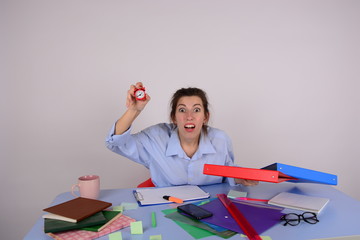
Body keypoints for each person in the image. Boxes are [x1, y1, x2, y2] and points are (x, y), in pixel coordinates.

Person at [105, 82, 258, 187]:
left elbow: (226, 174)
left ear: (205, 117)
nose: (189, 116)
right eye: (182, 110)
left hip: (211, 211)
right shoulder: (156, 137)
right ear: (174, 117)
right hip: (167, 210)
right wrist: (134, 110)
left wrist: (241, 178)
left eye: (196, 110)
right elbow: (115, 143)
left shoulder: (220, 139)